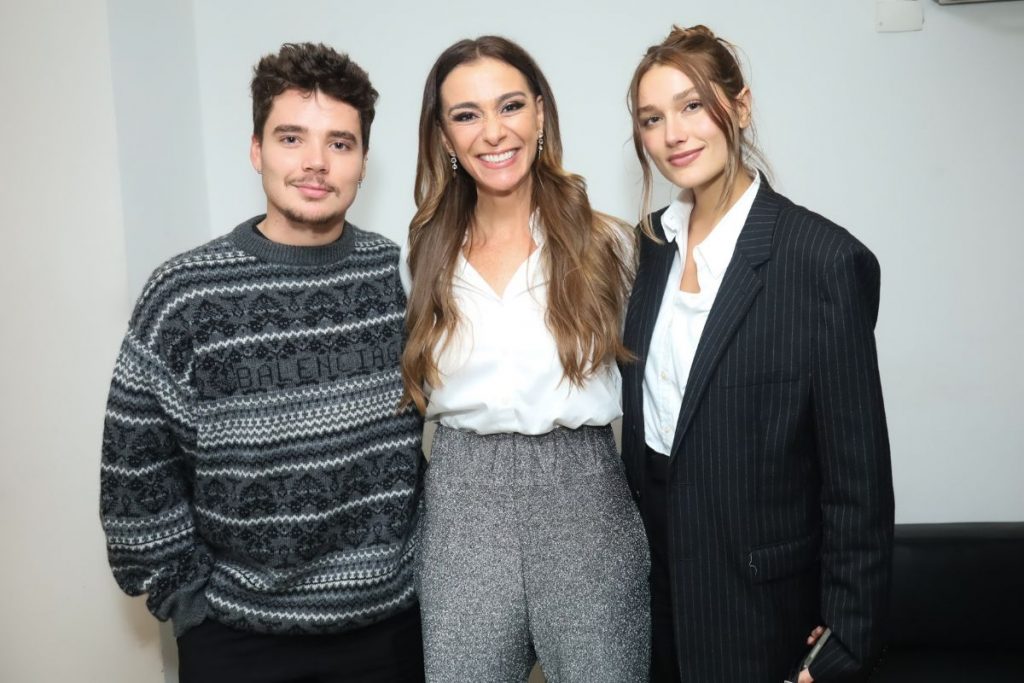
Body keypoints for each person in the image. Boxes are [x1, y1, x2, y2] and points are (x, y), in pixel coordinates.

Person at [100, 42, 425, 683]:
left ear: (362, 159)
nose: (315, 163)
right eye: (291, 138)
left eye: (340, 143)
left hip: (392, 632)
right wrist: (187, 602)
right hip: (239, 643)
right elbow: (135, 470)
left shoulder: (395, 273)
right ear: (257, 151)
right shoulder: (185, 294)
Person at [620, 25, 894, 683]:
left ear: (739, 107)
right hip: (654, 598)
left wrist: (841, 647)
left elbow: (857, 483)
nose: (673, 134)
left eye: (693, 105)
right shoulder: (648, 251)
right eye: (652, 119)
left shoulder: (824, 261)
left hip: (762, 613)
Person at [400, 35, 650, 683]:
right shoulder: (424, 253)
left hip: (584, 497)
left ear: (540, 113)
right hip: (461, 505)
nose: (493, 131)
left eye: (510, 105)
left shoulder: (611, 245)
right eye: (466, 114)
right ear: (444, 135)